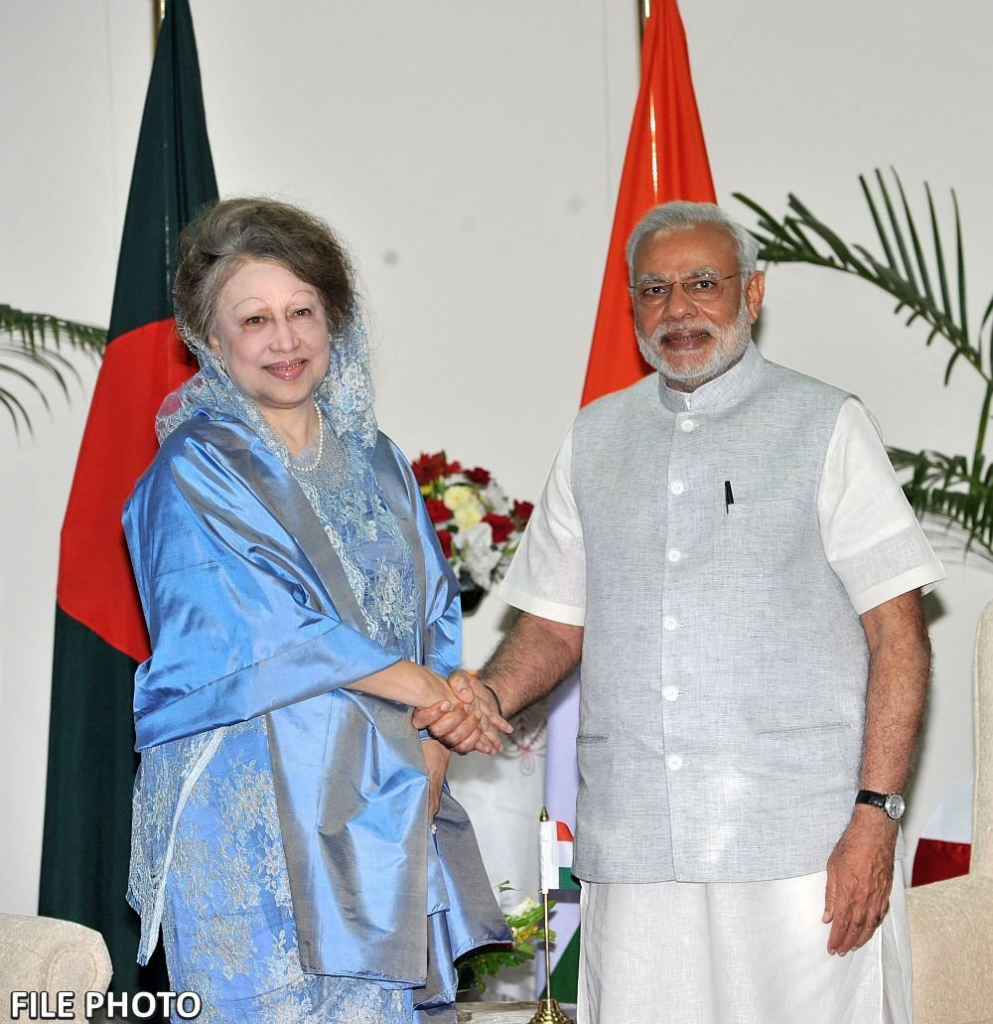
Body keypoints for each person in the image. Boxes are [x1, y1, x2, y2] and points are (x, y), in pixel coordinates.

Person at [416, 201, 946, 1023]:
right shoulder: (595, 437)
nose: (678, 310)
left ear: (751, 294)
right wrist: (484, 696)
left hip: (800, 851)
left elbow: (897, 634)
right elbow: (554, 625)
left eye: (702, 284)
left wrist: (875, 817)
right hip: (636, 853)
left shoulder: (825, 424)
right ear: (631, 307)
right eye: (654, 290)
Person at [123, 197, 511, 1024]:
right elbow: (264, 628)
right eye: (254, 319)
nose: (285, 340)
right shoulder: (193, 466)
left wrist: (438, 734)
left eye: (302, 311)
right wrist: (433, 695)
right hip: (250, 807)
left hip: (382, 794)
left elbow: (433, 612)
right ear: (209, 338)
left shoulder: (377, 460)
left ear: (335, 317)